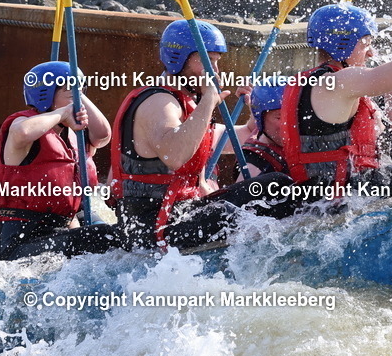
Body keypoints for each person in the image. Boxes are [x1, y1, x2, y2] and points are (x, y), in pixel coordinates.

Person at [108, 19, 295, 250]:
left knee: (275, 184)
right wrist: (209, 99)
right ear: (179, 58)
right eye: (207, 61)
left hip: (179, 215)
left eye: (216, 62)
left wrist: (254, 108)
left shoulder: (185, 105)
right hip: (153, 227)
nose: (214, 71)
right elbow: (175, 155)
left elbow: (245, 135)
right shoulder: (159, 103)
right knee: (270, 189)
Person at [276, 4, 392, 188]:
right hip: (337, 202)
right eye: (366, 44)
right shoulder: (338, 82)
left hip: (327, 193)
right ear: (343, 44)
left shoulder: (315, 81)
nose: (371, 52)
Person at [0, 60, 122, 260]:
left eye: (80, 93)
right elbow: (23, 132)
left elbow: (103, 135)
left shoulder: (73, 135)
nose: (77, 101)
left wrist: (77, 95)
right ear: (46, 95)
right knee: (104, 237)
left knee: (116, 235)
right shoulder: (21, 123)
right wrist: (61, 113)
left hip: (60, 228)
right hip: (21, 242)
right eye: (70, 93)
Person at [241, 83, 288, 178]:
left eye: (293, 114)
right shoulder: (255, 167)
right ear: (260, 120)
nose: (289, 124)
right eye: (279, 118)